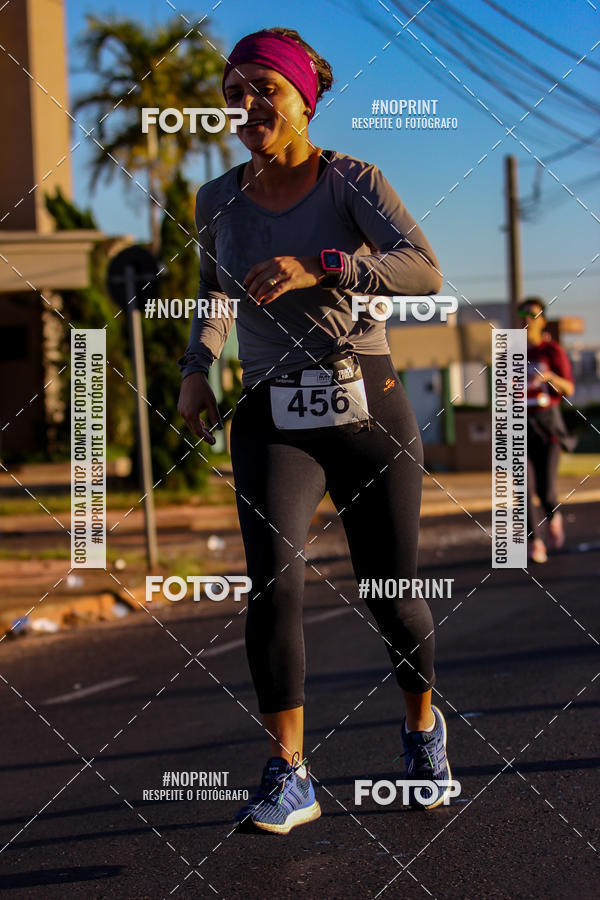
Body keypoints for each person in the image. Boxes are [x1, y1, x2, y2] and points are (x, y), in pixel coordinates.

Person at [177, 27, 452, 833]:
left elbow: (423, 267)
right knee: (275, 584)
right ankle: (290, 771)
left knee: (390, 594)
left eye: (264, 88)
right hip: (271, 410)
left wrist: (327, 264)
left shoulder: (351, 181)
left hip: (367, 400)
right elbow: (213, 296)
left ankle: (422, 730)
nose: (247, 105)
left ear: (304, 99)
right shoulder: (215, 200)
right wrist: (199, 369)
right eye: (234, 92)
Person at [519, 297, 575, 564]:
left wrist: (551, 377)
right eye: (522, 313)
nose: (526, 318)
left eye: (532, 313)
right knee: (524, 488)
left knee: (546, 491)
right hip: (520, 425)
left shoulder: (552, 351)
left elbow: (570, 388)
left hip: (548, 426)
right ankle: (534, 542)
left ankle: (554, 518)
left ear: (541, 319)